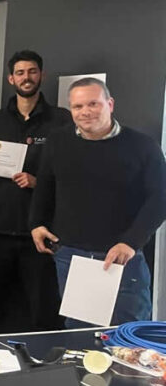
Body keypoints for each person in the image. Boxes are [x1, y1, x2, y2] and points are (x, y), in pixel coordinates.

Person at [31, 77, 166, 326]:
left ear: (110, 104)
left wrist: (131, 242)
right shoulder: (58, 141)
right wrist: (37, 222)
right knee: (79, 334)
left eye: (93, 104)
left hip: (121, 257)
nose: (85, 112)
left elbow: (160, 199)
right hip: (72, 255)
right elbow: (45, 185)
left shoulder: (143, 146)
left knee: (128, 334)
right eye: (78, 106)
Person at [0, 50, 70, 332]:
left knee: (42, 306)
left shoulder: (61, 120)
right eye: (20, 73)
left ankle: (43, 356)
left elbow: (71, 172)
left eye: (32, 71)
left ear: (42, 75)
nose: (27, 77)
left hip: (39, 231)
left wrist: (39, 182)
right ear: (11, 79)